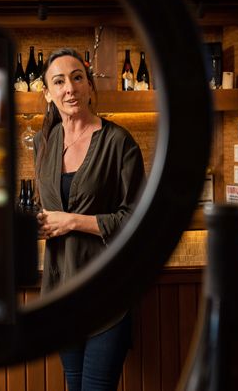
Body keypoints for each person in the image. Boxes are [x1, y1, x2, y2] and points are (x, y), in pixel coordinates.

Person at [34, 48, 145, 391]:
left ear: (89, 86)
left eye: (77, 77)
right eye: (59, 81)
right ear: (48, 93)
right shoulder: (46, 142)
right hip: (62, 291)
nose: (70, 88)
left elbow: (137, 220)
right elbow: (48, 206)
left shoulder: (118, 142)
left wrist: (70, 222)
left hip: (106, 292)